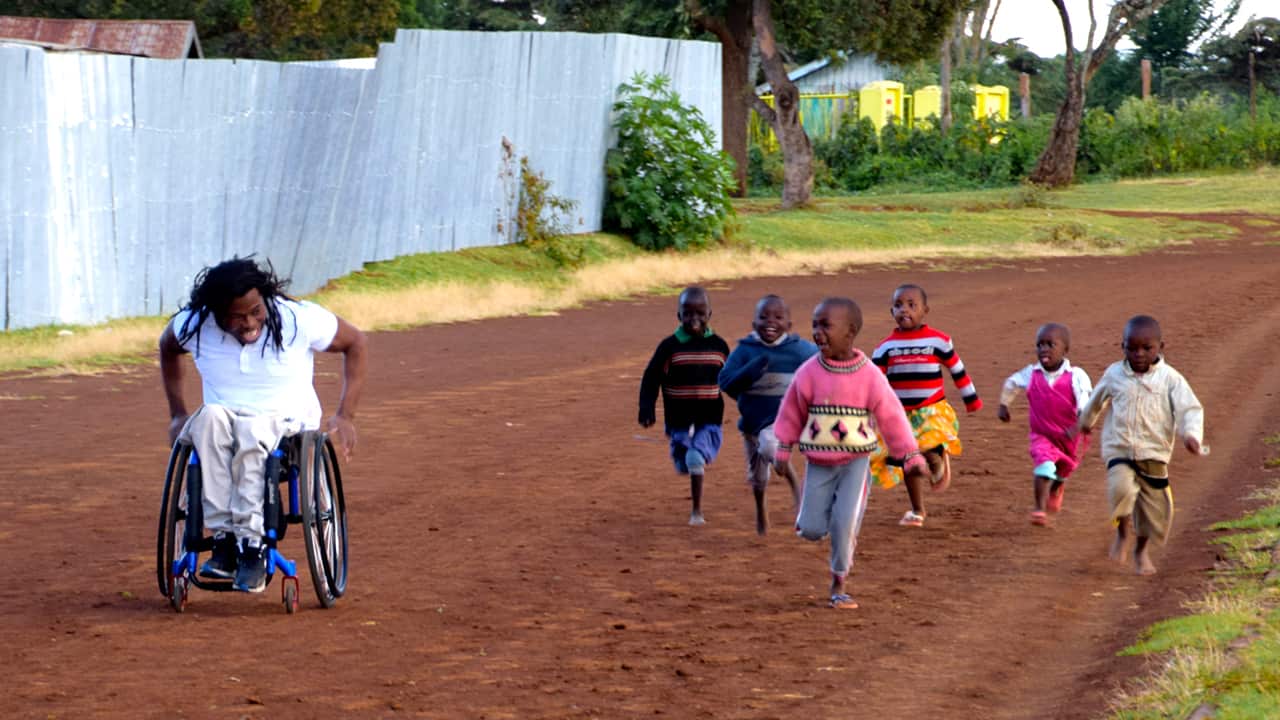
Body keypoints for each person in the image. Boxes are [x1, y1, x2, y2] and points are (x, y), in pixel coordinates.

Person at [159, 257, 367, 593]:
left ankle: (253, 545)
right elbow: (167, 348)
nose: (250, 322)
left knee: (253, 430)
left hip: (285, 424)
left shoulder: (297, 318)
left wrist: (346, 415)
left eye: (256, 310)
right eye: (237, 317)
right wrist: (177, 414)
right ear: (215, 314)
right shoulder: (196, 325)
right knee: (207, 420)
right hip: (224, 421)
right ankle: (224, 540)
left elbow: (356, 342)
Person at [773, 297, 927, 609]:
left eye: (826, 325)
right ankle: (821, 515)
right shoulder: (808, 372)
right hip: (818, 462)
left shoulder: (869, 375)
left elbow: (892, 417)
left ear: (850, 331)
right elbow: (791, 412)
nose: (818, 332)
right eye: (815, 325)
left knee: (844, 523)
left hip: (856, 463)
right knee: (813, 529)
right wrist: (784, 447)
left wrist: (910, 456)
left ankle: (838, 582)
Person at [1076, 315, 1204, 576]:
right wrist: (1085, 422)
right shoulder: (1114, 374)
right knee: (1120, 488)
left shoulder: (1171, 379)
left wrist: (1191, 435)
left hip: (1154, 453)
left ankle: (1141, 550)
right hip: (1119, 447)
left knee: (1153, 511)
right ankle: (1123, 532)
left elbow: (1189, 408)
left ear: (1160, 347)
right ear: (1122, 346)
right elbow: (1096, 400)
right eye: (1131, 348)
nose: (1139, 354)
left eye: (1147, 348)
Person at [869, 284, 982, 527]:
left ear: (925, 310)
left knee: (927, 443)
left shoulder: (939, 341)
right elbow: (874, 382)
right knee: (906, 461)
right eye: (898, 306)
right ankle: (917, 510)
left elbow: (957, 370)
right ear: (892, 312)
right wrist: (870, 410)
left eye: (911, 305)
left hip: (932, 408)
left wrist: (971, 399)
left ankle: (937, 458)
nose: (904, 310)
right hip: (900, 415)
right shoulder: (884, 347)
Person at [718, 294, 818, 535]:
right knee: (757, 478)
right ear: (753, 324)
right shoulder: (745, 350)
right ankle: (762, 512)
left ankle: (797, 490)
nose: (770, 322)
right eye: (763, 317)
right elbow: (725, 381)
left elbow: (823, 364)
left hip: (781, 421)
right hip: (752, 423)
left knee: (772, 447)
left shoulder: (799, 350)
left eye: (778, 317)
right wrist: (749, 371)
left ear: (789, 325)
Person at [639, 286, 730, 526]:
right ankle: (684, 458)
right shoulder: (670, 347)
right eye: (687, 313)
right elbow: (651, 377)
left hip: (709, 419)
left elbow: (730, 378)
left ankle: (696, 512)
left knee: (694, 457)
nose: (694, 319)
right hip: (679, 419)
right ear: (679, 316)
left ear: (710, 313)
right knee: (684, 460)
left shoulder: (719, 346)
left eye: (700, 313)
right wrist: (646, 408)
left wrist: (747, 397)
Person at [997, 323, 1093, 526]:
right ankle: (1039, 509)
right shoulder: (1031, 373)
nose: (1044, 349)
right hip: (1042, 434)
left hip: (1069, 437)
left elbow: (1085, 404)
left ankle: (1058, 487)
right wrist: (1004, 405)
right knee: (1044, 464)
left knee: (1063, 470)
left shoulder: (1076, 376)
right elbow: (1011, 383)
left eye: (1051, 344)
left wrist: (1078, 426)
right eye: (1040, 345)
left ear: (1065, 350)